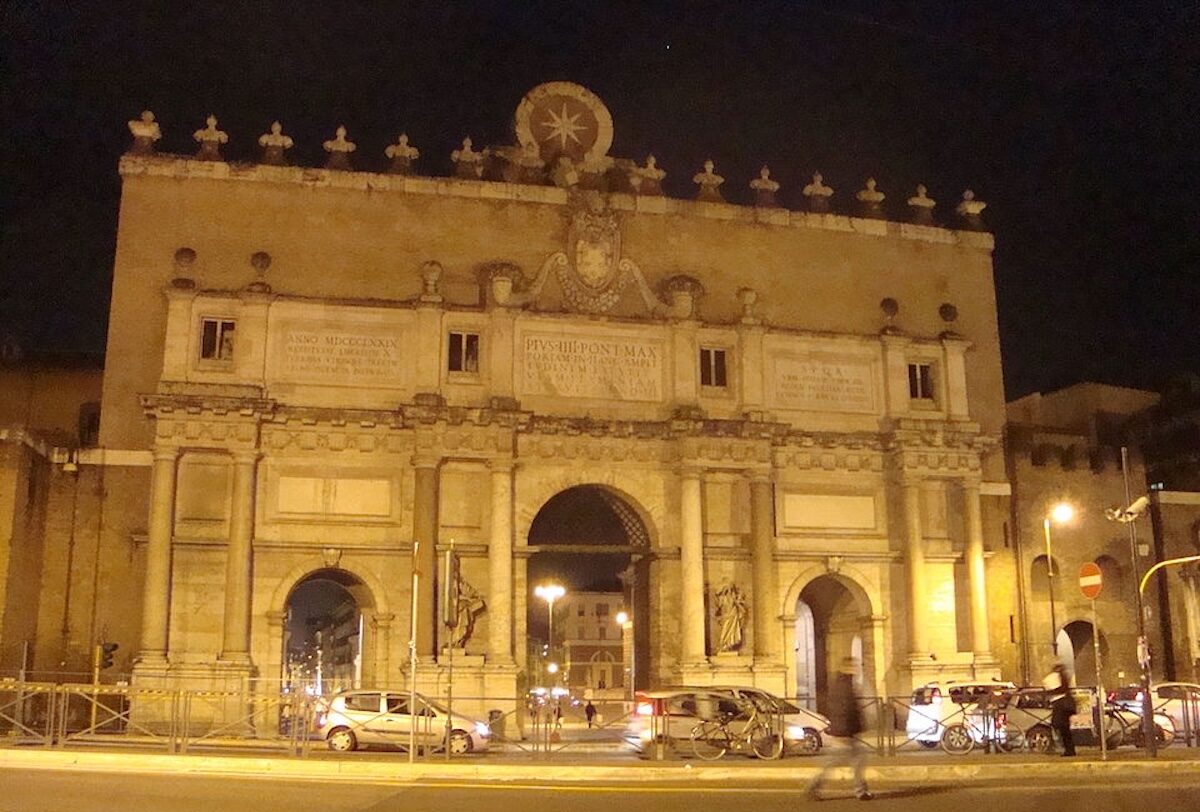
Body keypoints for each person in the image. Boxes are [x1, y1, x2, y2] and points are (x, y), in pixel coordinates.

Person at [806, 658, 872, 801]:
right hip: (844, 733)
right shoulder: (844, 685)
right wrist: (844, 732)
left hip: (847, 731)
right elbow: (843, 709)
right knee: (834, 763)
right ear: (847, 667)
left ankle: (861, 791)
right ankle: (813, 787)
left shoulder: (843, 682)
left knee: (857, 761)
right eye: (853, 666)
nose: (856, 668)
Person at [1044, 661, 1077, 756]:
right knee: (1063, 727)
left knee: (1059, 725)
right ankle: (1069, 749)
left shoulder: (1060, 676)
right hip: (1064, 704)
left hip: (1061, 704)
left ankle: (1066, 748)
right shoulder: (1063, 675)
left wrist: (1051, 692)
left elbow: (1062, 689)